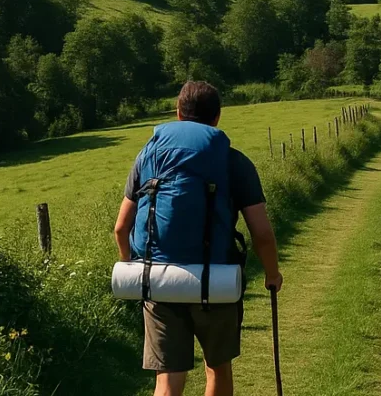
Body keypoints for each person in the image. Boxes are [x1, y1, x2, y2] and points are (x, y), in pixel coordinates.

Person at [114, 81, 283, 396]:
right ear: (217, 117)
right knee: (217, 369)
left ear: (178, 113)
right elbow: (262, 233)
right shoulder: (233, 162)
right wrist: (272, 274)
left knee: (167, 379)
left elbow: (121, 228)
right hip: (215, 281)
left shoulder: (148, 157)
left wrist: (134, 269)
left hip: (158, 282)